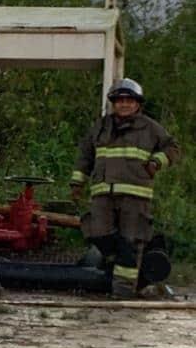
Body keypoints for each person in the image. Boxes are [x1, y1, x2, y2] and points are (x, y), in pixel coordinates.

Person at [70, 78, 180, 299]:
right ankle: (119, 272)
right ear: (114, 103)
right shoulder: (101, 127)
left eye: (129, 100)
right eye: (120, 100)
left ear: (137, 104)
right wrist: (77, 182)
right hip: (103, 195)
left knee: (130, 243)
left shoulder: (150, 127)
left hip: (136, 195)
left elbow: (173, 148)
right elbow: (86, 155)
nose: (125, 104)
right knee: (97, 232)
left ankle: (123, 293)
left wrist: (156, 162)